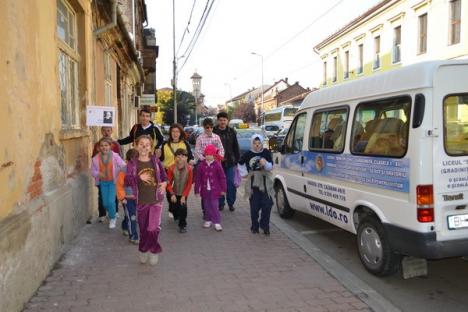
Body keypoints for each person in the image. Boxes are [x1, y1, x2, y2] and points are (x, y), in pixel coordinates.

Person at [125, 135, 167, 265]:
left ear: (151, 147)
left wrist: (165, 184)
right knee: (143, 229)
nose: (144, 147)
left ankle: (154, 250)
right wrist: (138, 178)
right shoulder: (132, 163)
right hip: (141, 201)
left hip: (156, 201)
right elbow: (128, 180)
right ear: (136, 146)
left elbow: (164, 176)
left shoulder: (155, 161)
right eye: (141, 144)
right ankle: (143, 249)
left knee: (152, 228)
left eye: (147, 144)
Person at [238, 134, 274, 235]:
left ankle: (265, 225)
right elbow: (240, 163)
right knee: (254, 207)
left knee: (267, 204)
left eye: (259, 143)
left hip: (265, 181)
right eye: (255, 143)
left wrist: (265, 163)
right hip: (253, 183)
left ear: (262, 144)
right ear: (252, 144)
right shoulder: (248, 154)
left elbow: (270, 166)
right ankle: (254, 226)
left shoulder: (266, 152)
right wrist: (244, 173)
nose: (257, 145)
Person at [91, 137, 126, 229]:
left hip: (113, 182)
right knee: (105, 203)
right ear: (99, 147)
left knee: (110, 201)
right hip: (103, 183)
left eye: (106, 145)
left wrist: (127, 171)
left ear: (110, 146)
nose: (104, 147)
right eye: (101, 146)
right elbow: (92, 171)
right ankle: (111, 213)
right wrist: (98, 174)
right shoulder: (95, 158)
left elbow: (123, 165)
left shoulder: (115, 156)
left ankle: (112, 218)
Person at [194, 145, 226, 232]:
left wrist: (223, 189)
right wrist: (197, 190)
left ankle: (217, 222)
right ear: (204, 154)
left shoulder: (217, 165)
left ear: (214, 155)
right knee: (206, 206)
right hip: (205, 190)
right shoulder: (201, 165)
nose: (208, 156)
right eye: (207, 154)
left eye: (210, 154)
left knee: (215, 206)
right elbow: (198, 179)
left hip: (215, 190)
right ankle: (208, 220)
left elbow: (222, 177)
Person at [213, 112, 240, 212]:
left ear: (227, 121)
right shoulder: (214, 131)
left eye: (224, 120)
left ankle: (231, 202)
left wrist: (237, 160)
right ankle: (220, 203)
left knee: (230, 184)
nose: (222, 122)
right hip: (217, 163)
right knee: (219, 183)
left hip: (230, 162)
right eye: (221, 120)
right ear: (218, 121)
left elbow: (236, 146)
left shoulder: (232, 131)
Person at [166, 148, 193, 233]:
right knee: (174, 208)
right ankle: (176, 214)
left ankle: (182, 225)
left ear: (186, 158)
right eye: (178, 156)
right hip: (174, 192)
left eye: (183, 156)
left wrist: (184, 196)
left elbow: (189, 184)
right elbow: (168, 183)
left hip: (184, 192)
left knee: (183, 208)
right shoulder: (171, 168)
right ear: (175, 158)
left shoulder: (189, 169)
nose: (180, 158)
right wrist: (172, 193)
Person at [116, 148, 139, 244]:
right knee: (132, 216)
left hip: (139, 197)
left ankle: (125, 226)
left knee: (130, 215)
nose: (134, 161)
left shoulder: (141, 168)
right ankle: (133, 236)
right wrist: (122, 198)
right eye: (131, 159)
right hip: (127, 198)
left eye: (136, 159)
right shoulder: (124, 170)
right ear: (127, 159)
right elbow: (119, 186)